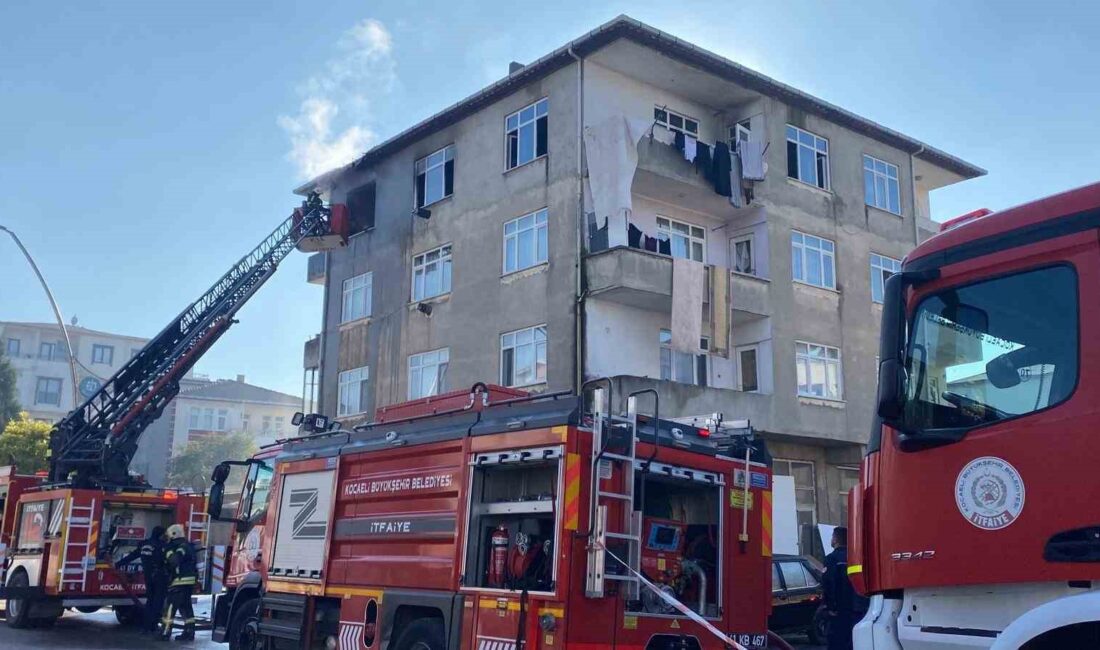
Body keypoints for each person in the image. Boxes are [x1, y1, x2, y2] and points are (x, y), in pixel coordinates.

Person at [115, 525, 167, 634]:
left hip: (148, 577)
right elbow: (164, 561)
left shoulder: (144, 544)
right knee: (158, 602)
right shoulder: (161, 546)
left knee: (150, 601)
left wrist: (118, 564)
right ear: (161, 535)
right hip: (159, 577)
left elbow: (132, 556)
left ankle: (146, 627)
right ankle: (153, 625)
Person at [822, 527, 868, 650]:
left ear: (836, 539)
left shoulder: (832, 558)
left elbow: (828, 583)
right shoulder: (856, 558)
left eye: (832, 537)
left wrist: (831, 607)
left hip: (840, 610)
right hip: (859, 609)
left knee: (837, 643)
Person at [160, 524, 198, 642]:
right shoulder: (188, 545)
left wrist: (167, 554)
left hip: (179, 581)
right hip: (190, 581)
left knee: (170, 607)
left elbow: (174, 561)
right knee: (186, 607)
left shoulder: (177, 547)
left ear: (173, 534)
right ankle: (189, 632)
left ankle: (165, 632)